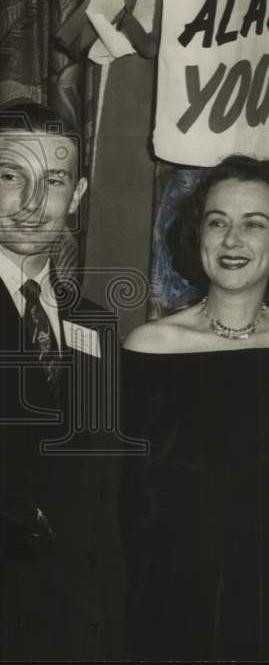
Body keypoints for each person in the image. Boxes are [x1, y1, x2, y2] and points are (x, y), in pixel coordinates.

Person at [120, 154, 269, 660]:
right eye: (218, 223)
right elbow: (118, 501)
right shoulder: (149, 347)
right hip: (169, 603)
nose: (232, 241)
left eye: (254, 224)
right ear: (200, 238)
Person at [0, 100, 127, 660]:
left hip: (84, 628)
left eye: (52, 181)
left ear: (76, 197)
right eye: (10, 176)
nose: (32, 204)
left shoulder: (94, 321)